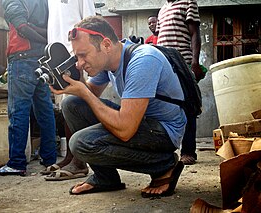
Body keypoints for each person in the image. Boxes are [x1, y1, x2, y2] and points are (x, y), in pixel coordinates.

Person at [49, 16, 186, 197]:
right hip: (142, 123)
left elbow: (126, 130)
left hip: (164, 131)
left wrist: (84, 92)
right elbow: (88, 96)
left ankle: (164, 165)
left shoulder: (143, 60)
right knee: (72, 104)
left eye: (83, 55)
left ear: (105, 45)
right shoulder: (110, 59)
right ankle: (105, 177)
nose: (79, 63)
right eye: (76, 56)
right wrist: (69, 80)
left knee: (81, 144)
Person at [0, 0, 56, 176]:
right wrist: (47, 42)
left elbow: (22, 28)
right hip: (42, 60)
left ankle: (17, 163)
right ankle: (50, 159)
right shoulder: (45, 2)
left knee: (18, 111)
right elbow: (50, 27)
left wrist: (43, 40)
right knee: (45, 110)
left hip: (22, 59)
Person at [41, 0, 95, 180]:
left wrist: (79, 56)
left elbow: (89, 21)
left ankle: (79, 161)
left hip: (73, 57)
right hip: (55, 57)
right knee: (64, 108)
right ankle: (70, 156)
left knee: (74, 104)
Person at [156, 0, 204, 165]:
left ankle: (188, 151)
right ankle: (165, 151)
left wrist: (195, 62)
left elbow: (195, 33)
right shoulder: (162, 9)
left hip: (182, 63)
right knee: (164, 105)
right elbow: (160, 37)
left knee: (189, 106)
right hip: (163, 64)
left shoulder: (188, 2)